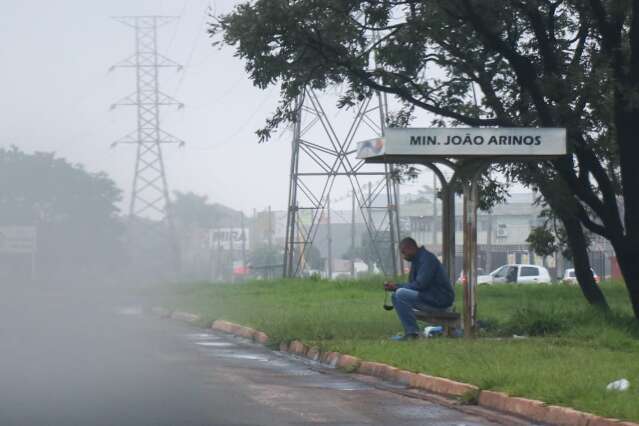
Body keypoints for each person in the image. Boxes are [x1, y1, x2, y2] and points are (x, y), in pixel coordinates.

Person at [384, 237, 455, 340]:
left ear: (410, 248)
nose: (403, 256)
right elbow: (412, 285)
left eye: (404, 252)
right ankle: (411, 331)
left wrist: (397, 287)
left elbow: (420, 285)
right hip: (429, 297)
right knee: (396, 295)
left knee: (400, 293)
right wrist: (395, 287)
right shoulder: (417, 260)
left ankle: (414, 334)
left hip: (440, 300)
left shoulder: (427, 260)